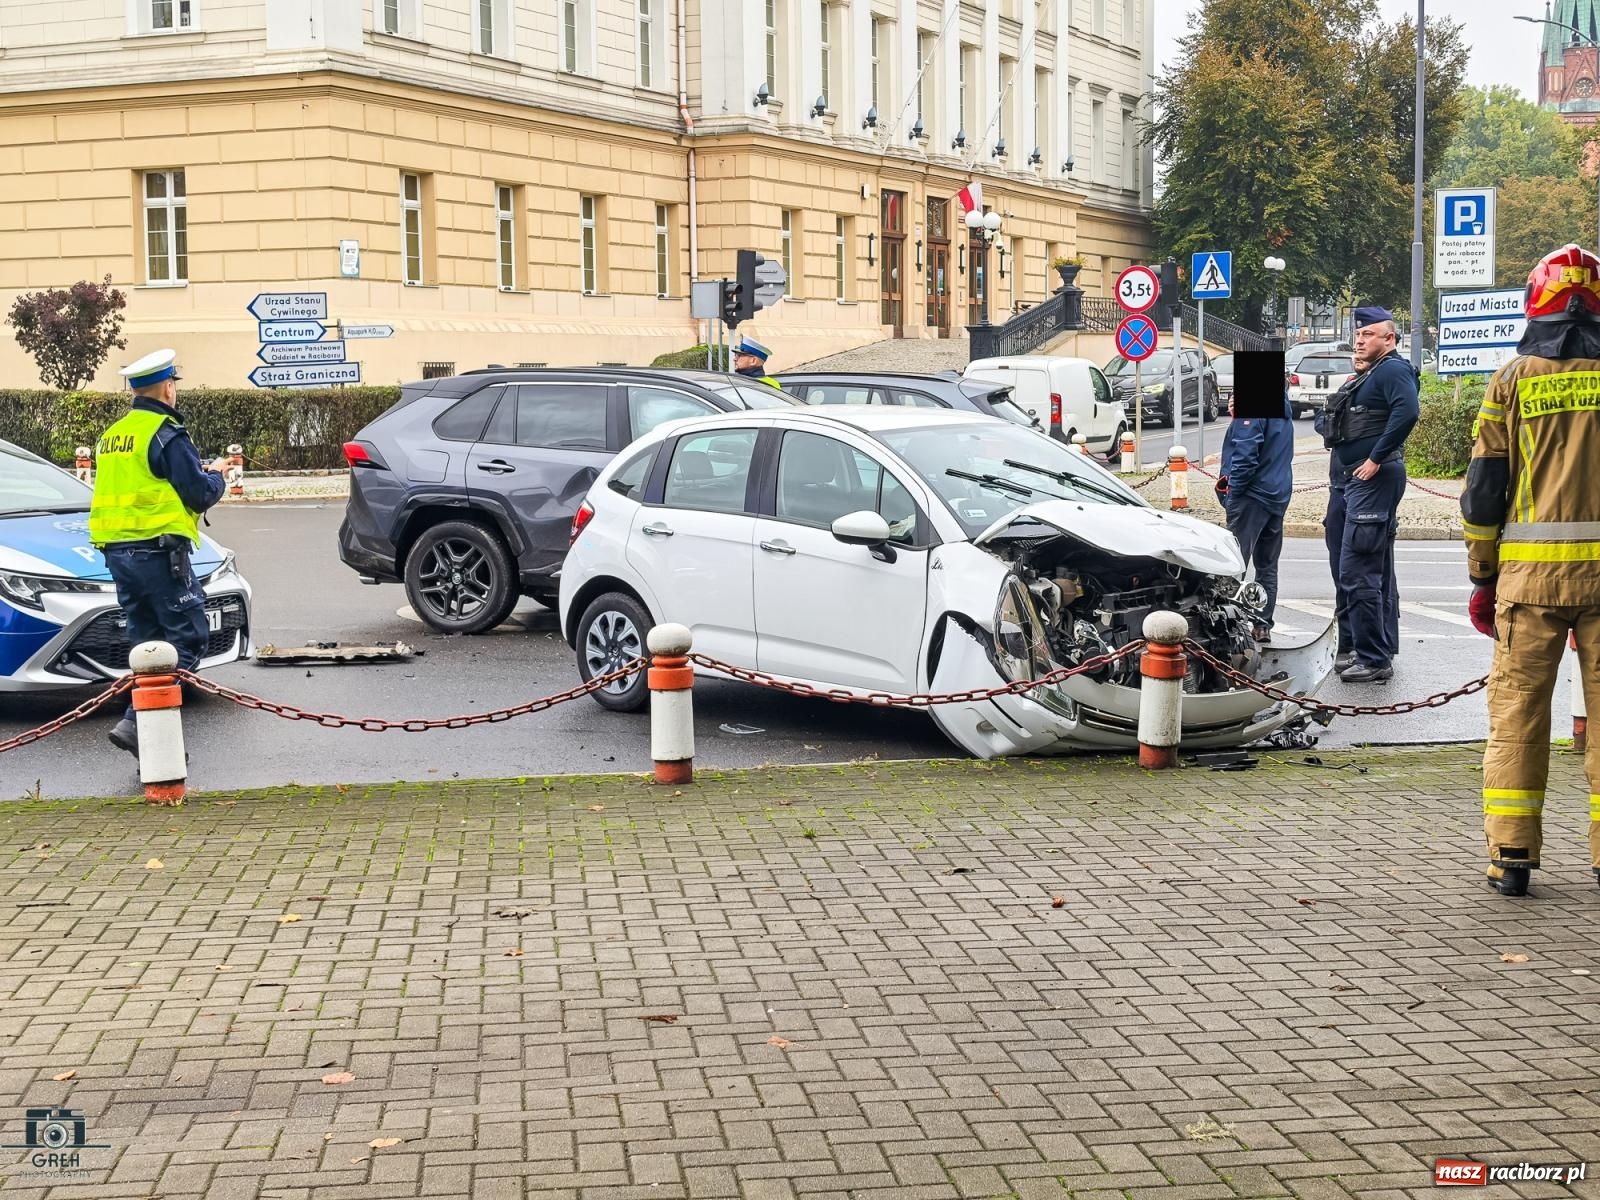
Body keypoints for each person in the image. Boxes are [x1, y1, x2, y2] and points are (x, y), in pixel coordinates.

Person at [1459, 243, 1600, 898]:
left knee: (1517, 716)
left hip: (1528, 584)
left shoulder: (1512, 380)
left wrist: (1482, 576)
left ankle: (1512, 857)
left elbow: (1485, 491)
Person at [88, 349, 230, 755]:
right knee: (189, 640)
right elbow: (198, 494)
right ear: (168, 388)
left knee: (146, 647)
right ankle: (136, 721)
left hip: (118, 556)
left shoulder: (113, 435)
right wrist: (217, 476)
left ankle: (154, 749)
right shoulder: (166, 433)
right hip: (158, 555)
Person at [1317, 306, 1419, 683]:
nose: (1360, 340)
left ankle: (1374, 658)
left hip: (1372, 480)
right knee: (1361, 568)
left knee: (1358, 569)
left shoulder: (1392, 370)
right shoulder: (1369, 374)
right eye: (1358, 334)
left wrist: (1376, 458)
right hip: (1352, 481)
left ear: (1389, 338)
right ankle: (1362, 647)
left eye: (1368, 334)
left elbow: (1407, 413)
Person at [1216, 387, 1294, 641]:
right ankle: (1262, 625)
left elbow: (1246, 453)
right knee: (1267, 566)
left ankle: (1229, 628)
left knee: (1234, 565)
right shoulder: (1282, 404)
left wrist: (1234, 493)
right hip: (1277, 493)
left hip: (1252, 495)